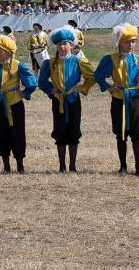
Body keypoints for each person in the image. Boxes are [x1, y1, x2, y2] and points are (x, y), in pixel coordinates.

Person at [94, 23, 139, 176]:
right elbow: (98, 75)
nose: (131, 44)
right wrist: (109, 86)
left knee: (137, 132)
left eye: (133, 41)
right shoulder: (110, 59)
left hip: (135, 98)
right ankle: (123, 166)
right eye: (127, 41)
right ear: (119, 42)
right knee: (120, 132)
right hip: (118, 98)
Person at [37, 27, 95, 173]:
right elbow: (42, 81)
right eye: (60, 44)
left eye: (65, 43)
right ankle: (62, 166)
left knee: (74, 131)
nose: (62, 46)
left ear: (71, 45)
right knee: (60, 130)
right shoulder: (49, 63)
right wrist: (52, 89)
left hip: (73, 100)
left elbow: (92, 76)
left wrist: (81, 87)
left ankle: (73, 166)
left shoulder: (78, 61)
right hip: (58, 101)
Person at [0, 33, 37, 173]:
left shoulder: (17, 65)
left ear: (8, 52)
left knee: (17, 133)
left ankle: (20, 164)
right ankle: (6, 165)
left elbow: (31, 82)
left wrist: (24, 93)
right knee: (0, 133)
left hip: (15, 104)